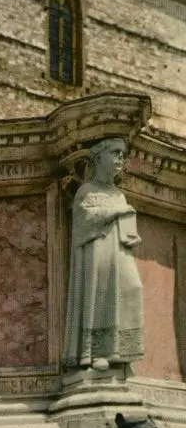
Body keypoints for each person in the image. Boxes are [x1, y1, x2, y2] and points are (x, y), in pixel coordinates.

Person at [63, 138, 144, 371]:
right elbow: (84, 221)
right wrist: (117, 212)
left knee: (133, 286)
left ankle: (120, 347)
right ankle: (97, 351)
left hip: (119, 251)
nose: (121, 158)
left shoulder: (118, 193)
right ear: (98, 158)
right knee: (100, 296)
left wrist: (130, 232)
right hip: (97, 252)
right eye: (115, 153)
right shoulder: (87, 191)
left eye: (123, 154)